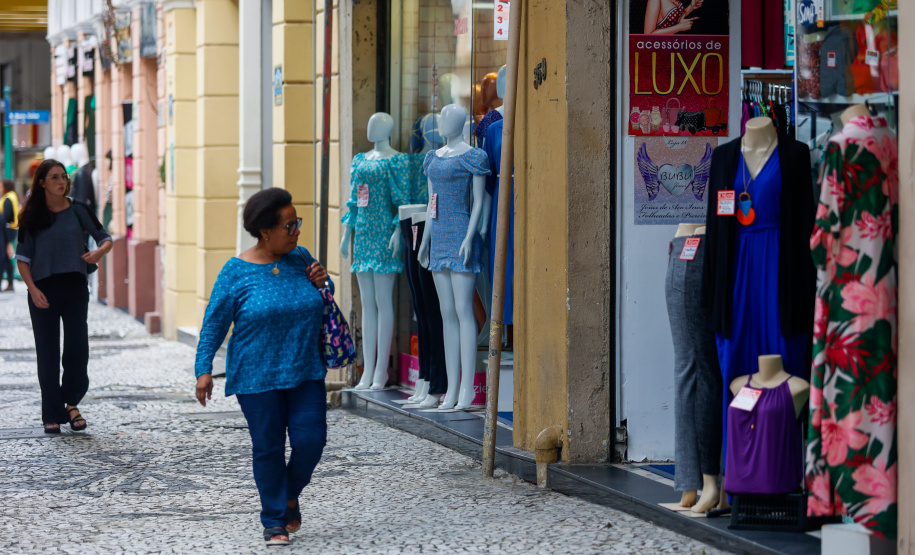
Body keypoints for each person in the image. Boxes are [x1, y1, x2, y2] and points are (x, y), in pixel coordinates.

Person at [194, 188, 331, 547]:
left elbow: (322, 302)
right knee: (268, 448)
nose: (297, 230)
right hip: (256, 378)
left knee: (311, 440)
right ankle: (274, 521)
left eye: (297, 223)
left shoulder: (301, 258)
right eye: (290, 225)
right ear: (265, 231)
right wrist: (203, 369)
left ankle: (288, 494)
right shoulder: (236, 272)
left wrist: (322, 284)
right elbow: (214, 323)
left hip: (305, 370)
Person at [14, 159, 113, 433]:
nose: (61, 182)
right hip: (43, 290)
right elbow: (22, 259)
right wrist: (33, 291)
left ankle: (71, 402)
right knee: (47, 353)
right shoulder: (31, 215)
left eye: (63, 177)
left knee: (77, 351)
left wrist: (98, 253)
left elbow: (105, 238)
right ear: (42, 182)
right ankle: (52, 413)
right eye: (55, 177)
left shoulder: (79, 209)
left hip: (75, 288)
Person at [1, 179, 19, 291]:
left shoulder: (8, 198)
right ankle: (10, 283)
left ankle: (10, 282)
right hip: (10, 229)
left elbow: (6, 216)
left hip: (7, 229)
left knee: (5, 255)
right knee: (7, 257)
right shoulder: (11, 196)